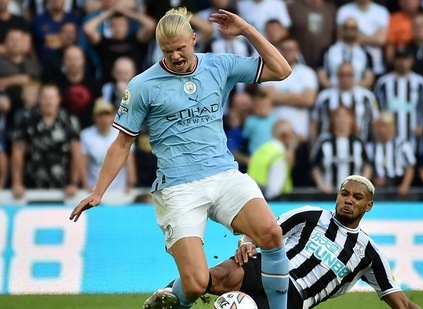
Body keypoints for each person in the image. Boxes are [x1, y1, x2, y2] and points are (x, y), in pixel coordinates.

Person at [69, 7, 292, 309]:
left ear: (194, 39)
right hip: (178, 189)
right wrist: (98, 191)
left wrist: (248, 30)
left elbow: (281, 70)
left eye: (180, 48)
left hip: (224, 175)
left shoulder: (219, 66)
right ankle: (164, 299)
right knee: (196, 284)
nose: (175, 56)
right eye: (167, 50)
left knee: (272, 234)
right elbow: (122, 143)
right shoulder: (142, 85)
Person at [143, 175, 421, 309]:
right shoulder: (310, 215)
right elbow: (264, 229)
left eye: (356, 198)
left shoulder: (369, 253)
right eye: (344, 193)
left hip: (294, 297)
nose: (348, 200)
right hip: (266, 267)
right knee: (218, 276)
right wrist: (246, 242)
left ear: (368, 206)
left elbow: (401, 302)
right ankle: (166, 298)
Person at [311, 107, 371, 194]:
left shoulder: (358, 142)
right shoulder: (324, 142)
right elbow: (314, 167)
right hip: (329, 194)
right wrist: (322, 185)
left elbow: (368, 166)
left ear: (352, 120)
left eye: (345, 117)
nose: (342, 120)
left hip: (353, 195)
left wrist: (363, 184)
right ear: (332, 120)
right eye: (338, 117)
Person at [247, 119, 298, 200]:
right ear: (284, 135)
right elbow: (274, 191)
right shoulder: (279, 155)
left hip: (252, 197)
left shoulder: (262, 149)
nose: (294, 136)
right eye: (292, 132)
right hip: (270, 203)